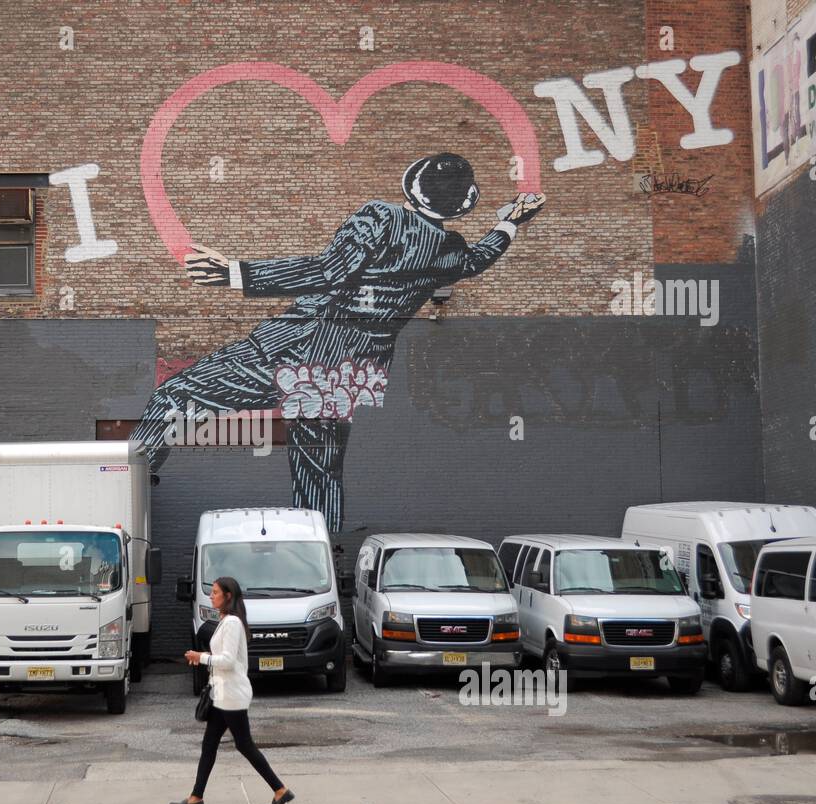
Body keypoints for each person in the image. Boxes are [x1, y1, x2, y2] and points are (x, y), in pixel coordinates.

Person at [131, 154, 545, 530]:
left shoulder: (379, 218)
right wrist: (510, 221)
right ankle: (320, 564)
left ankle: (125, 494)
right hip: (347, 374)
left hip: (294, 348)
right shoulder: (448, 249)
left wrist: (236, 273)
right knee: (319, 474)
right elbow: (477, 260)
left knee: (176, 396)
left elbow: (330, 271)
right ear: (460, 205)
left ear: (411, 185)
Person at [170, 576, 293, 804]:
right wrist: (203, 657)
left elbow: (227, 661)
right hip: (222, 694)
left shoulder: (233, 623)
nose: (211, 595)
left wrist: (201, 657)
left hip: (232, 695)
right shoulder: (226, 621)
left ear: (228, 596)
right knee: (210, 745)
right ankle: (196, 797)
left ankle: (280, 790)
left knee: (244, 745)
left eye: (215, 592)